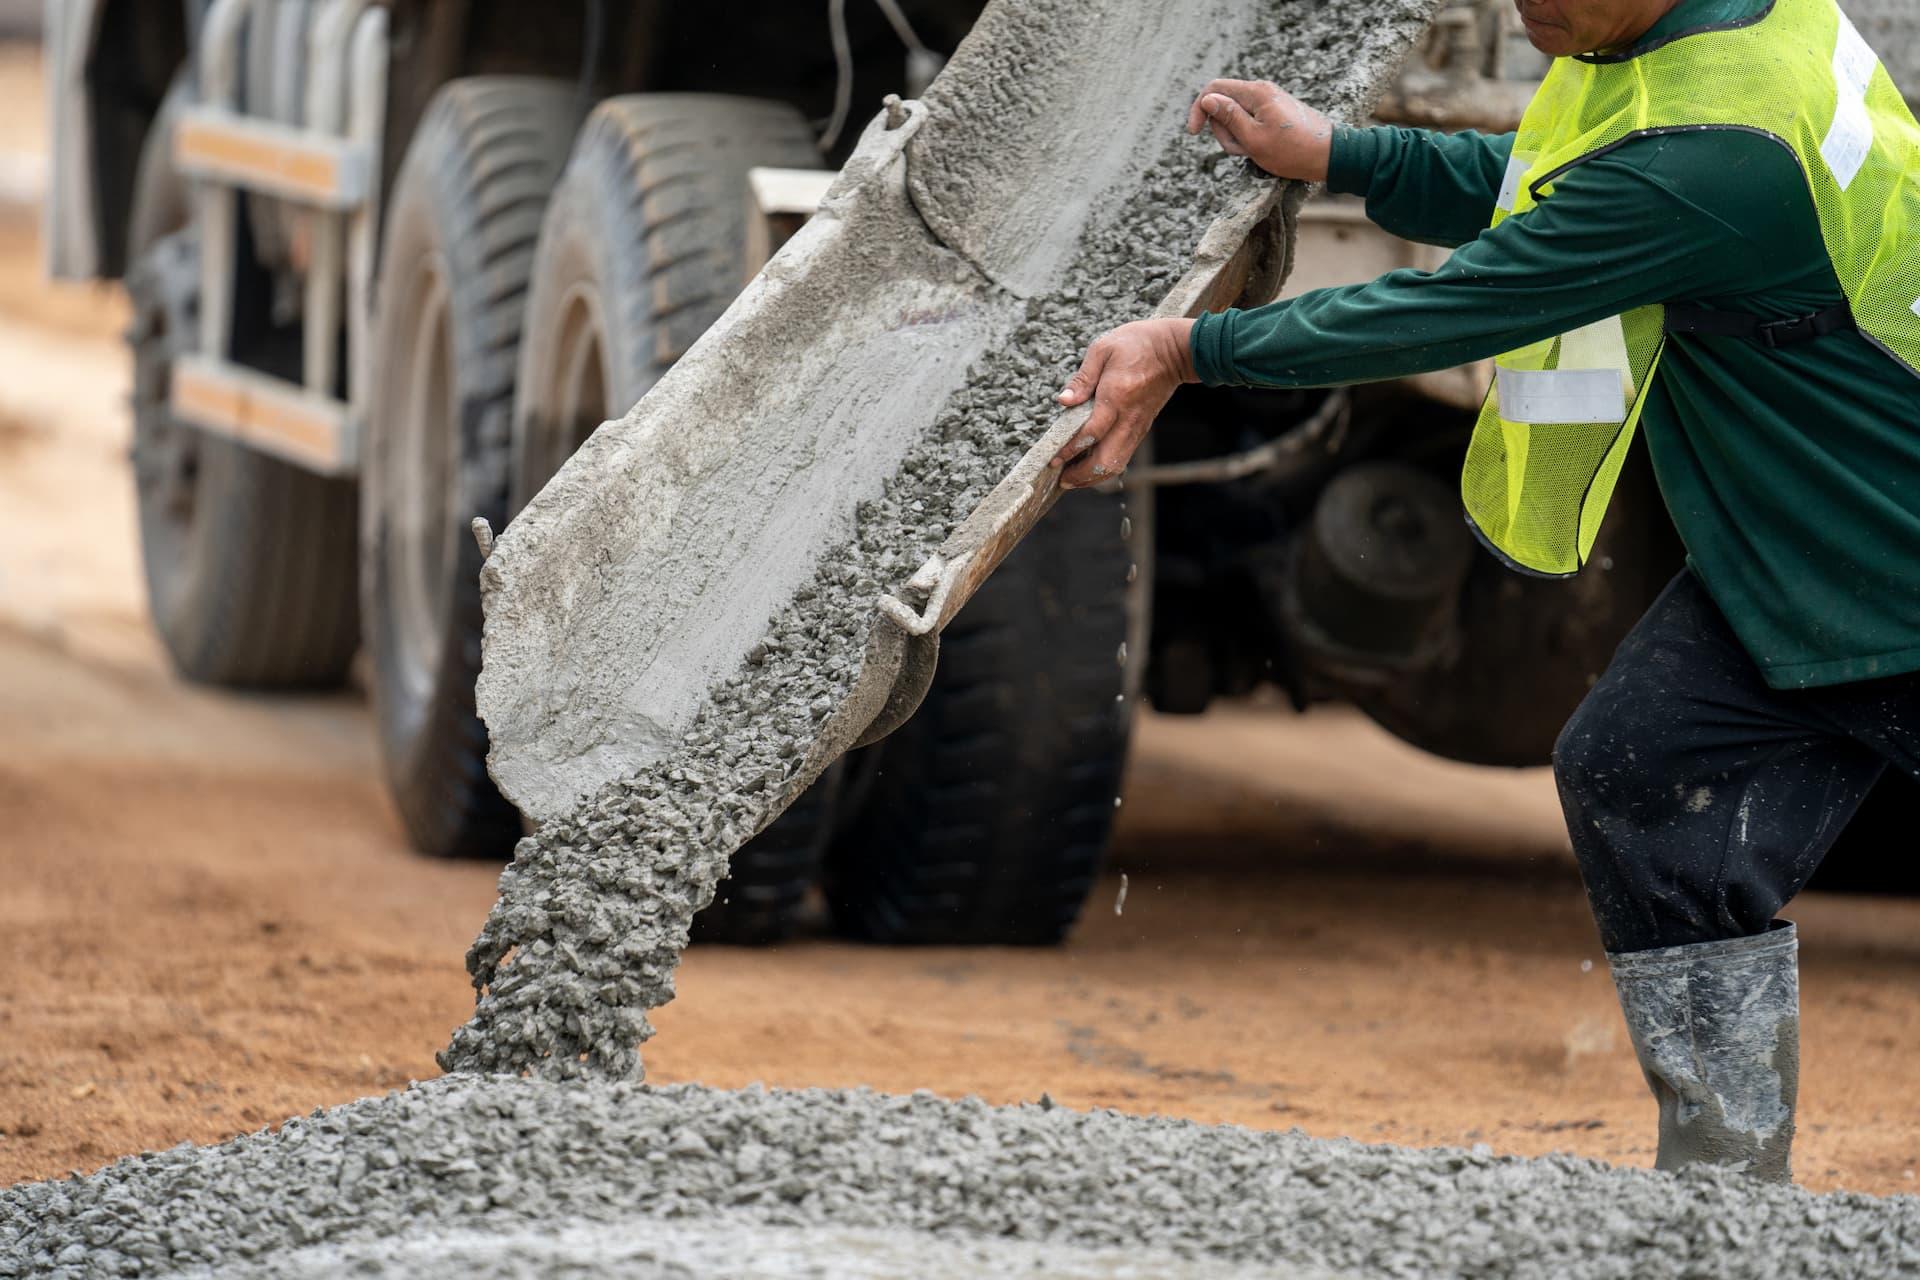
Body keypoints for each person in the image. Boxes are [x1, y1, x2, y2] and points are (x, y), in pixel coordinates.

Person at [1051, 0, 1920, 1183]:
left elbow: (1464, 301)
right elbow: (1561, 173)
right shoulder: (1725, 43)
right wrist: (1344, 156)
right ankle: (1726, 1193)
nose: (1522, 7)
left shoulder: (1717, 156)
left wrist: (1193, 349)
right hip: (1811, 556)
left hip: (1892, 563)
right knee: (1640, 766)